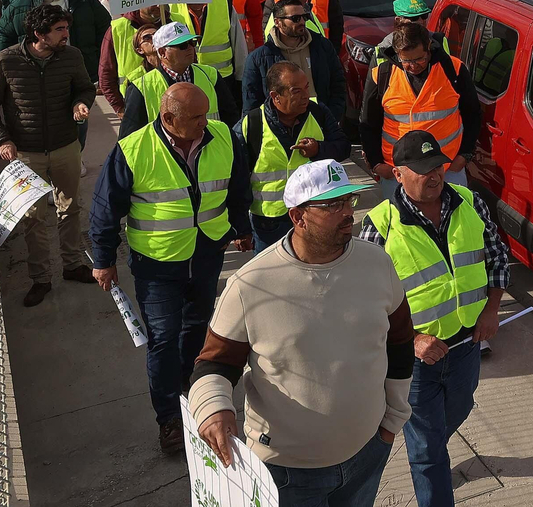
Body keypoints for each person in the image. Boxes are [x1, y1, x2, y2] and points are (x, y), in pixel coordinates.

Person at [188, 159, 409, 502]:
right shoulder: (251, 285)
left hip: (368, 454)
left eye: (348, 200)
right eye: (331, 205)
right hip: (286, 474)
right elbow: (215, 364)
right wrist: (214, 408)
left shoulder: (377, 263)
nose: (347, 212)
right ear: (297, 216)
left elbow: (399, 343)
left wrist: (393, 420)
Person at [90, 82, 253, 452]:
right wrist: (103, 260)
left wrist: (241, 229)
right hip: (157, 263)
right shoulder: (133, 150)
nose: (205, 123)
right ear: (168, 118)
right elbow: (105, 209)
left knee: (198, 328)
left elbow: (238, 187)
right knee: (163, 339)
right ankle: (168, 419)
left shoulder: (223, 137)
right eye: (196, 118)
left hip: (207, 253)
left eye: (207, 114)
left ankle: (187, 389)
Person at [357, 131, 511, 507]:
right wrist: (412, 342)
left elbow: (497, 259)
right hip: (416, 364)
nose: (435, 175)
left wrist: (491, 309)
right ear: (398, 174)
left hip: (466, 349)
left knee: (451, 418)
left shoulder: (470, 202)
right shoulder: (379, 226)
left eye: (438, 166)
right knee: (427, 450)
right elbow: (361, 303)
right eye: (423, 169)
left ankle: (429, 455)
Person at [0, 5, 97, 306]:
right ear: (39, 35)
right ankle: (41, 279)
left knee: (70, 208)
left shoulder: (71, 57)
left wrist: (80, 104)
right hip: (25, 154)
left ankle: (73, 264)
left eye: (66, 28)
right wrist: (2, 140)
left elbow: (85, 88)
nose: (66, 34)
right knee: (33, 218)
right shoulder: (5, 62)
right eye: (60, 29)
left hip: (65, 146)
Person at [234, 62, 351, 252]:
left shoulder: (318, 113)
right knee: (272, 277)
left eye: (306, 87)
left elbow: (343, 147)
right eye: (296, 91)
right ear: (275, 96)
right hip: (269, 224)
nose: (305, 95)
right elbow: (236, 180)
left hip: (314, 216)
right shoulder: (252, 124)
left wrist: (319, 150)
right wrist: (240, 228)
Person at [360, 22, 481, 182]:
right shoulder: (382, 74)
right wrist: (376, 164)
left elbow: (473, 114)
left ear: (429, 47)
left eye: (419, 59)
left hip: (447, 168)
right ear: (397, 54)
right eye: (406, 61)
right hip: (398, 172)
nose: (413, 66)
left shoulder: (454, 69)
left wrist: (464, 156)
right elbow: (368, 122)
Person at [0, 0, 109, 88]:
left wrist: (103, 66)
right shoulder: (18, 7)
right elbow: (4, 38)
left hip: (84, 73)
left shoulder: (84, 0)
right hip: (38, 78)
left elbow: (105, 32)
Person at [119, 22, 241, 137]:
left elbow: (231, 118)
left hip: (210, 152)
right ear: (162, 52)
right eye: (182, 45)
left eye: (191, 42)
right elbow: (129, 137)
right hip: (165, 156)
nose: (189, 48)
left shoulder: (211, 75)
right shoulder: (141, 87)